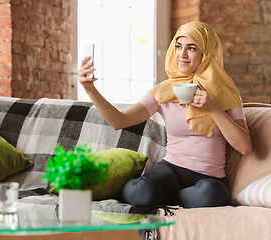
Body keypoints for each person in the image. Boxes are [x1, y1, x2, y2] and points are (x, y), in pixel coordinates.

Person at [78, 21, 252, 208]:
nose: (181, 55)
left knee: (211, 195)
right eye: (178, 46)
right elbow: (119, 121)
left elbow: (244, 146)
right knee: (140, 192)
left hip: (209, 178)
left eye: (191, 48)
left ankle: (170, 198)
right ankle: (170, 197)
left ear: (206, 53)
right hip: (170, 170)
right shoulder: (164, 91)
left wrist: (213, 109)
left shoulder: (225, 93)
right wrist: (90, 90)